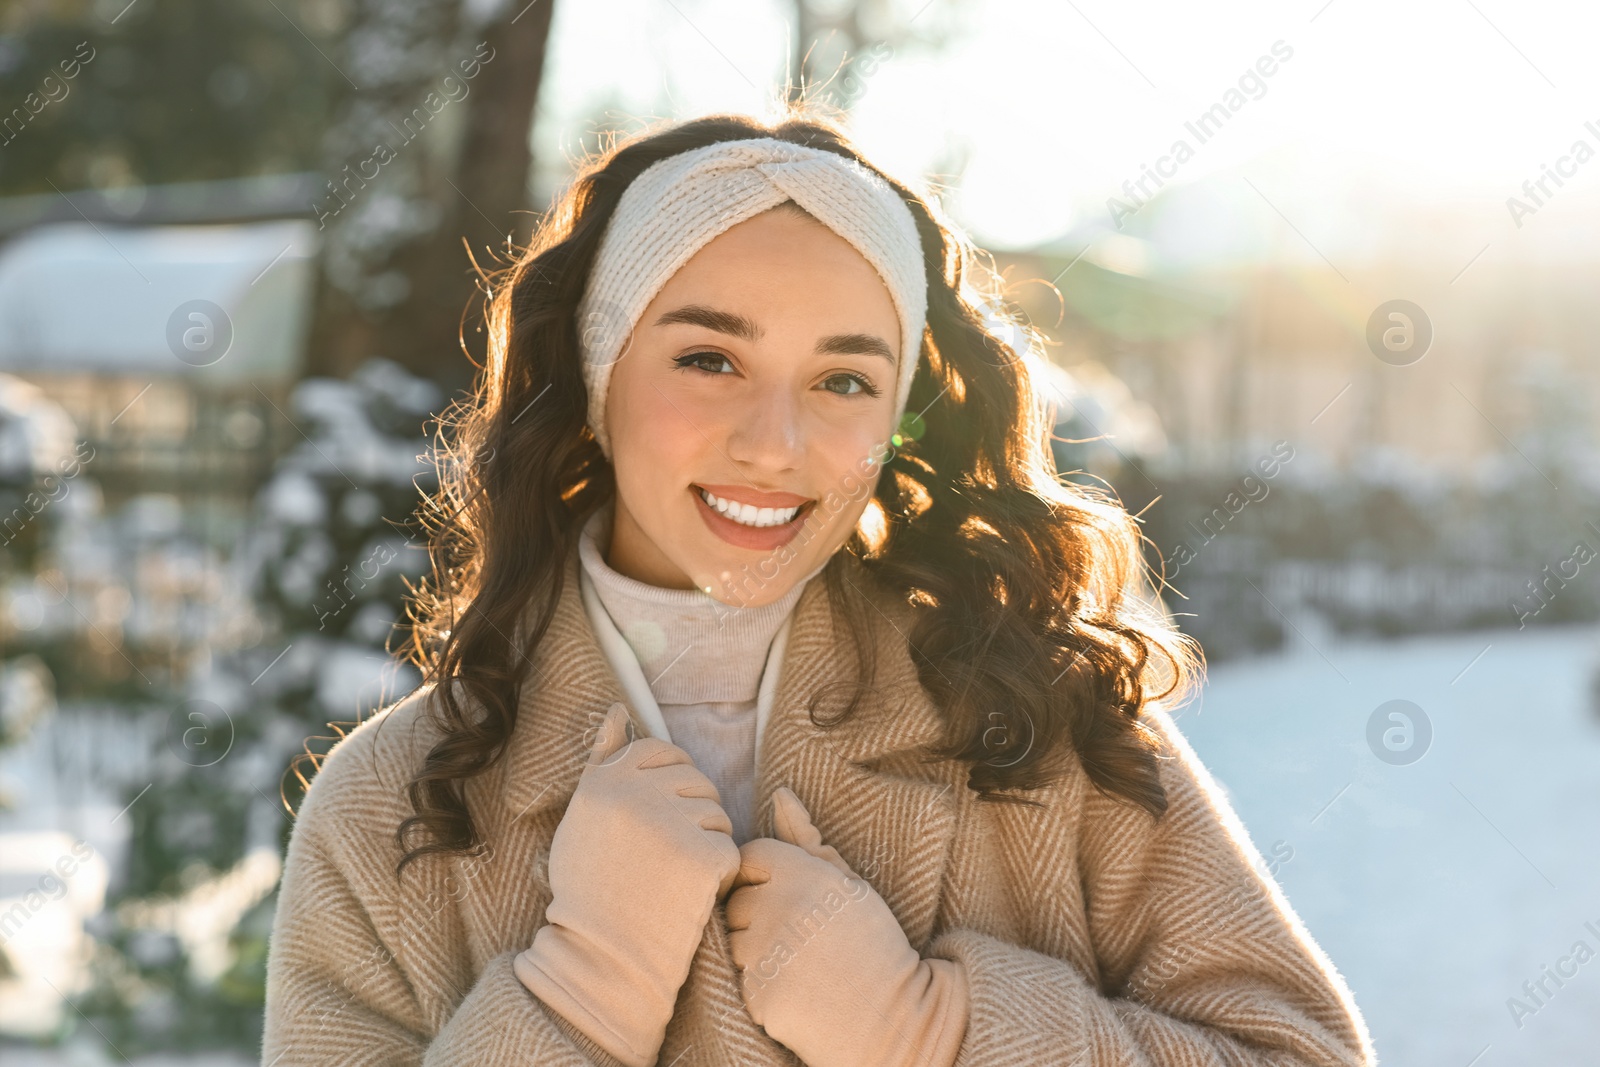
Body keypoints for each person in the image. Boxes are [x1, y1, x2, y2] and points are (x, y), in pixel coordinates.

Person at [261, 109, 1376, 1067]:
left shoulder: (1045, 724)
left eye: (843, 378)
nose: (776, 442)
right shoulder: (387, 806)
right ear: (599, 377)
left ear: (897, 418)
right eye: (708, 358)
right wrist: (576, 989)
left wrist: (932, 1031)